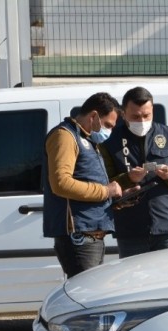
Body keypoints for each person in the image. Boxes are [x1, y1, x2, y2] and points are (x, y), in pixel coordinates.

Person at [101, 86, 168, 258]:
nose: (142, 120)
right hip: (130, 228)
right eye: (135, 116)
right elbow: (102, 184)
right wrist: (128, 178)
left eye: (146, 115)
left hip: (167, 227)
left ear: (152, 110)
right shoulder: (110, 140)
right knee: (133, 282)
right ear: (123, 114)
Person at [43, 92, 125, 278]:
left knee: (91, 294)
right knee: (86, 297)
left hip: (91, 236)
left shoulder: (86, 139)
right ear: (94, 116)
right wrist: (106, 191)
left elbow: (86, 181)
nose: (109, 132)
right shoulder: (64, 136)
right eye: (108, 125)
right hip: (80, 237)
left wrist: (116, 198)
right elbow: (61, 183)